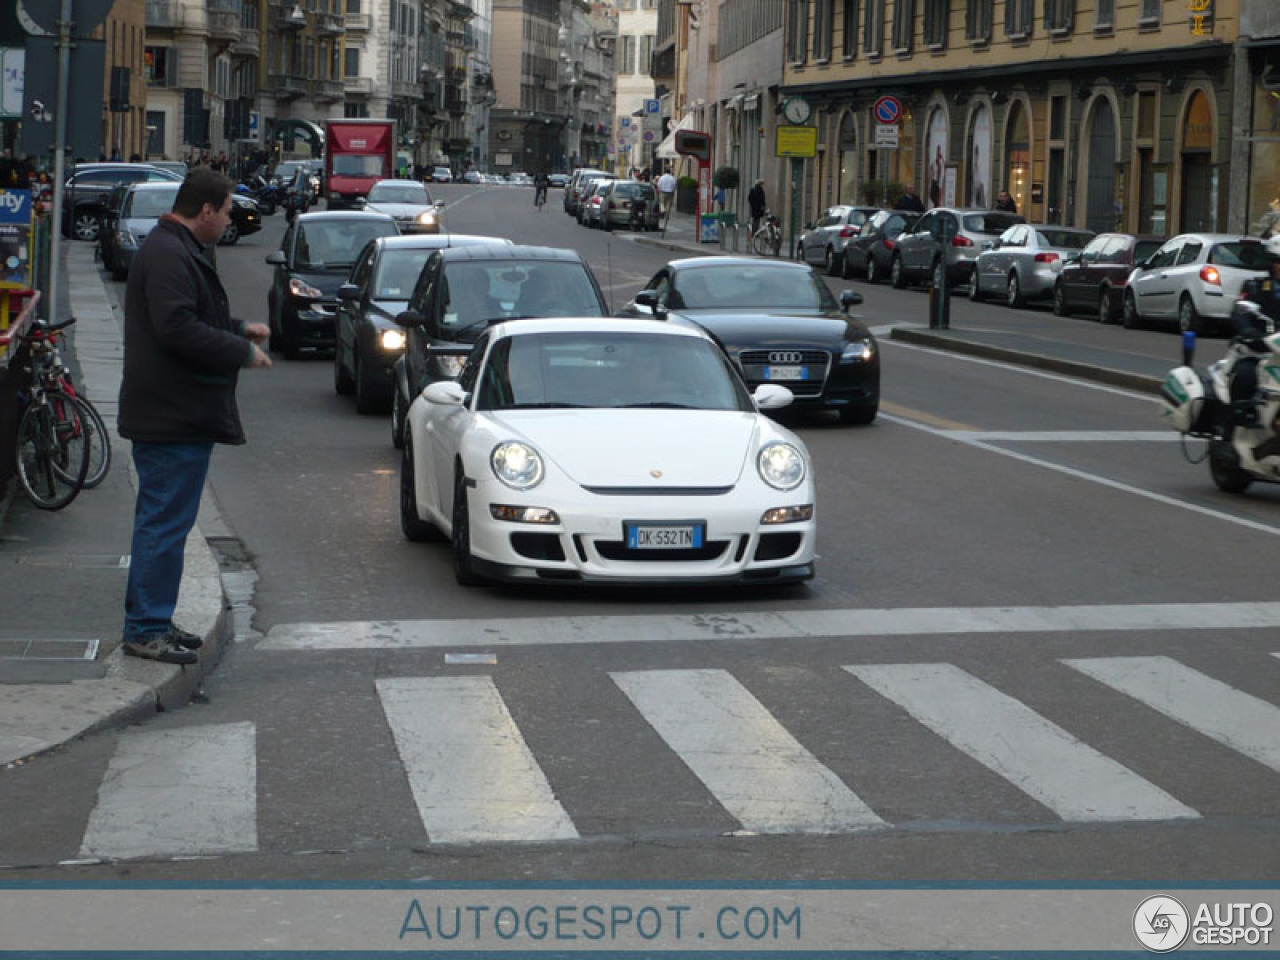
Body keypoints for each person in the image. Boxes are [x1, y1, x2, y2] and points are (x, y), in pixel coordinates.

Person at [117, 167, 271, 665]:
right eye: (226, 212)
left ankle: (154, 620)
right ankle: (145, 628)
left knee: (165, 522)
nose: (229, 222)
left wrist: (237, 328)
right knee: (163, 524)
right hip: (170, 414)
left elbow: (190, 317)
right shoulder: (168, 254)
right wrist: (239, 352)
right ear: (205, 211)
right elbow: (177, 327)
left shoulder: (172, 250)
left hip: (173, 411)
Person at [1228, 235, 1280, 433]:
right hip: (1258, 353)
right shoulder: (1255, 287)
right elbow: (1239, 312)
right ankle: (1233, 427)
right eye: (1278, 262)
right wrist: (1248, 330)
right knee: (1245, 375)